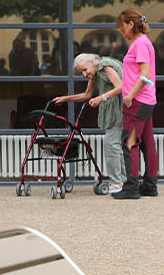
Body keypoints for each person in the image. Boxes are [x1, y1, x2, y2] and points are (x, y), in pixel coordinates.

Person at [52, 53, 125, 193]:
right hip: (114, 111)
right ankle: (123, 181)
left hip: (119, 110)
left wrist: (101, 98)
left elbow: (121, 86)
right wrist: (64, 98)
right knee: (114, 145)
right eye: (81, 72)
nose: (84, 74)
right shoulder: (96, 73)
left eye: (85, 70)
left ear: (92, 62)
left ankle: (117, 183)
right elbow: (86, 95)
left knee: (111, 144)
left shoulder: (105, 66)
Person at [114, 9, 159, 200]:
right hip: (147, 100)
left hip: (137, 102)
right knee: (148, 143)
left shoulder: (139, 43)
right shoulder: (145, 42)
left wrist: (130, 96)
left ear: (130, 24)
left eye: (122, 27)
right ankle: (149, 186)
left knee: (129, 142)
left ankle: (131, 187)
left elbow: (145, 74)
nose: (121, 32)